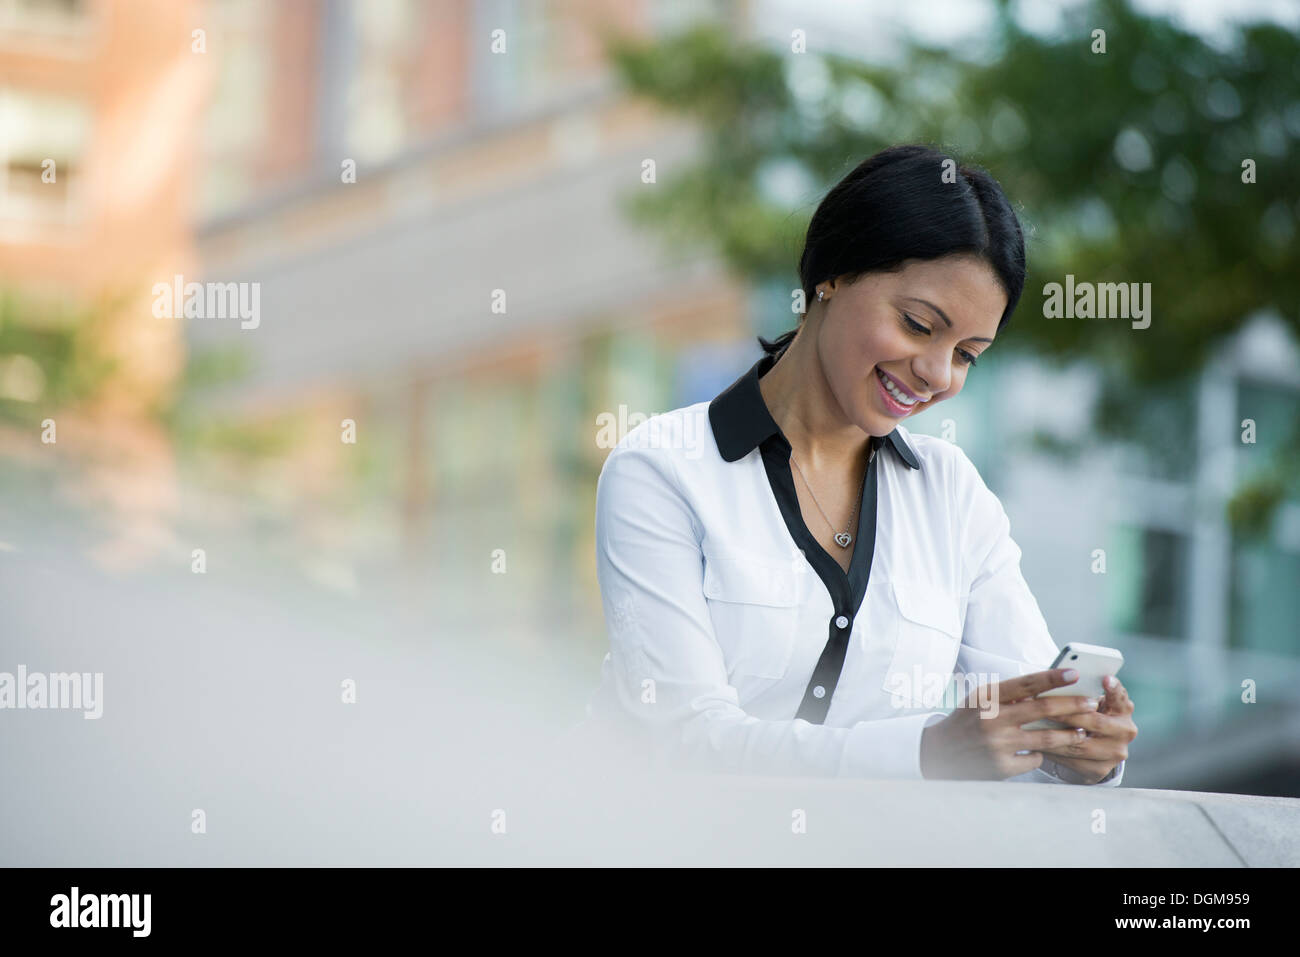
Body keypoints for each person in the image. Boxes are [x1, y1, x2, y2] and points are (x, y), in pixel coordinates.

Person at [576, 144, 1138, 784]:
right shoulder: (662, 471)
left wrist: (1084, 754)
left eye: (967, 355)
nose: (936, 374)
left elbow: (1027, 719)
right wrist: (926, 753)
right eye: (918, 324)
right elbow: (682, 740)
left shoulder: (950, 494)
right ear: (833, 276)